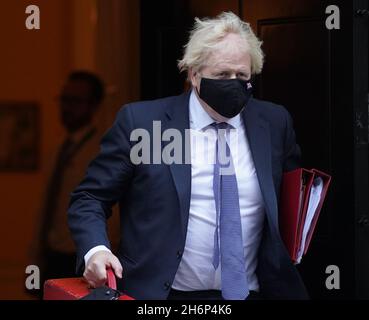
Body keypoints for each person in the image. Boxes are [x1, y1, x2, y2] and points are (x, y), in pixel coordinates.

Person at [68, 12, 309, 300]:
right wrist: (96, 250)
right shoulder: (145, 123)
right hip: (166, 296)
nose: (233, 83)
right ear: (194, 74)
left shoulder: (273, 123)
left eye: (242, 76)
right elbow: (90, 198)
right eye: (222, 75)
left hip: (253, 293)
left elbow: (293, 204)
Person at [32, 71, 105, 288]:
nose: (66, 107)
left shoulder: (102, 151)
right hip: (51, 255)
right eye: (64, 99)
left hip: (81, 256)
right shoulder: (58, 148)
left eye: (75, 100)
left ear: (93, 105)